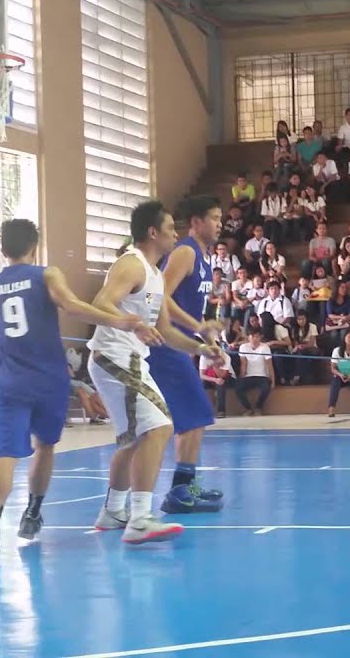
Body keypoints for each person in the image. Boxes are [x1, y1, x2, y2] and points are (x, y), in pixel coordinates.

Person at [0, 219, 144, 560]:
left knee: (5, 456)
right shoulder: (46, 275)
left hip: (9, 378)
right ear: (35, 245)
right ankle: (32, 513)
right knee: (45, 447)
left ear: (2, 249)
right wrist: (117, 320)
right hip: (47, 376)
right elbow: (72, 305)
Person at [88, 201, 219, 544]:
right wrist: (130, 324)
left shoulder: (156, 275)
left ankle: (114, 510)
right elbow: (102, 303)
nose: (176, 234)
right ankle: (140, 518)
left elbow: (168, 332)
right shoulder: (131, 265)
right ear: (152, 232)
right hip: (114, 356)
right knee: (160, 427)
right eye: (170, 228)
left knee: (132, 439)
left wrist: (201, 348)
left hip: (129, 359)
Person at [149, 196, 227, 515]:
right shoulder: (185, 252)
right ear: (196, 222)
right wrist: (197, 326)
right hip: (164, 344)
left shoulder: (206, 259)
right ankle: (179, 491)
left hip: (181, 342)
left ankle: (185, 485)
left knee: (195, 416)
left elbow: (195, 309)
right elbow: (160, 297)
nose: (220, 223)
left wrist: (206, 334)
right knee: (195, 412)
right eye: (214, 217)